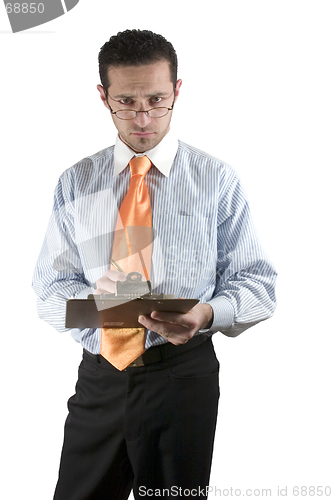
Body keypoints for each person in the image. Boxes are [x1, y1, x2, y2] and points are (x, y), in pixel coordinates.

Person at [32, 29, 277, 500]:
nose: (143, 117)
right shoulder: (76, 182)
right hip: (101, 377)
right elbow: (48, 292)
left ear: (178, 91)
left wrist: (205, 314)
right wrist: (96, 306)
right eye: (126, 101)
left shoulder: (216, 180)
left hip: (183, 379)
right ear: (103, 96)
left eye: (157, 100)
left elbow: (257, 284)